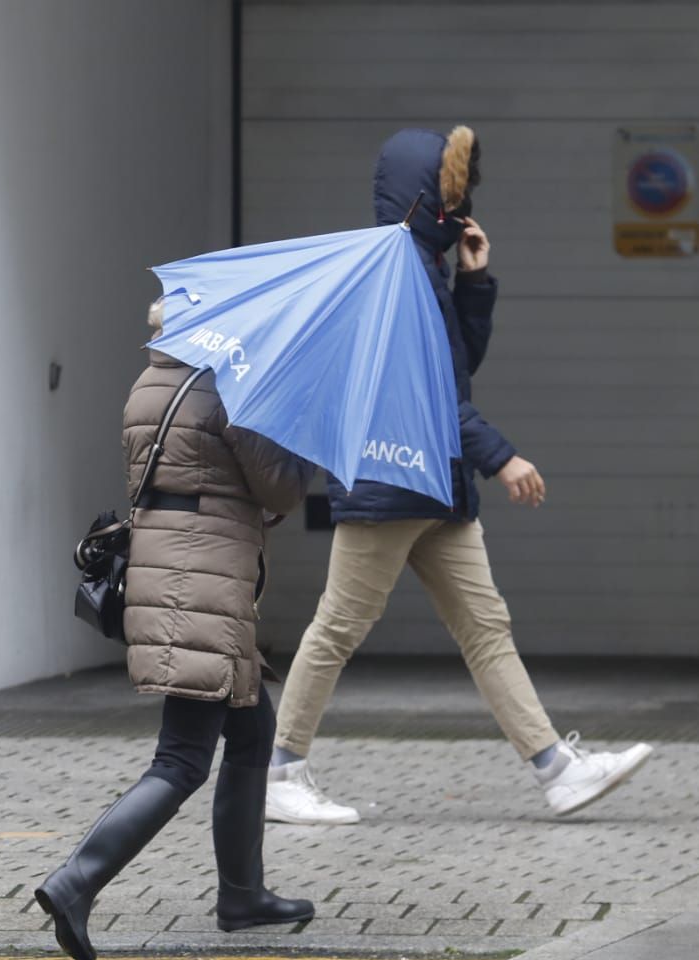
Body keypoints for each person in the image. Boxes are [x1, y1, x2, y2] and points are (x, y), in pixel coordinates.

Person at [266, 126, 654, 825]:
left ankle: (557, 770)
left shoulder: (421, 267)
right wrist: (502, 457)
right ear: (424, 193)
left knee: (485, 627)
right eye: (452, 190)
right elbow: (437, 393)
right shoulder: (394, 275)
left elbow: (456, 365)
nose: (463, 202)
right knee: (339, 627)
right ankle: (279, 772)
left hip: (433, 486)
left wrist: (474, 280)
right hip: (393, 482)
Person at [35, 298, 316, 960]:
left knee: (251, 735)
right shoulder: (221, 389)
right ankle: (76, 884)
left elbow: (204, 479)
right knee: (183, 758)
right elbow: (276, 488)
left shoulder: (153, 383)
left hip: (181, 574)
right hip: (203, 585)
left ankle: (242, 896)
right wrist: (300, 436)